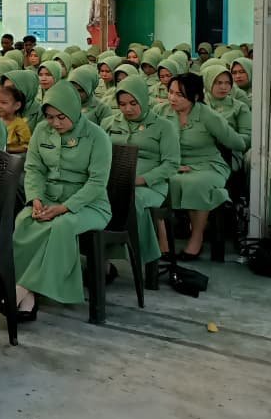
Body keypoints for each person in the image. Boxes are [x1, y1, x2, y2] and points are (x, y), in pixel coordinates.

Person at [11, 82, 112, 319]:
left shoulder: (97, 137)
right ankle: (28, 299)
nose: (55, 123)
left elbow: (97, 183)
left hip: (89, 204)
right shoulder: (41, 131)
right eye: (49, 117)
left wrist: (65, 208)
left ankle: (22, 289)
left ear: (74, 111)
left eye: (61, 117)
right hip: (48, 199)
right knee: (25, 221)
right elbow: (34, 169)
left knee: (62, 226)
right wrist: (35, 199)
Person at [164, 73, 247, 260]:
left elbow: (237, 143)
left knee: (197, 184)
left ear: (194, 96)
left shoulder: (208, 116)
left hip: (208, 164)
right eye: (170, 92)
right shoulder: (163, 112)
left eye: (179, 95)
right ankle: (163, 244)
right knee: (160, 181)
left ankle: (196, 238)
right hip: (176, 164)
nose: (172, 98)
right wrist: (171, 165)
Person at [101, 75, 179, 269]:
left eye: (133, 103)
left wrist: (142, 179)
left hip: (150, 186)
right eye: (122, 104)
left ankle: (143, 256)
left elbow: (171, 164)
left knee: (131, 200)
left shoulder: (164, 127)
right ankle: (103, 259)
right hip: (113, 183)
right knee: (95, 200)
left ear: (143, 100)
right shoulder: (109, 123)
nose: (128, 109)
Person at [202, 62, 251, 154]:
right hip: (199, 152)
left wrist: (225, 138)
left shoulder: (239, 107)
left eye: (227, 83)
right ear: (208, 82)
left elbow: (248, 138)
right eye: (218, 83)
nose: (223, 87)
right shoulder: (198, 105)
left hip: (230, 153)